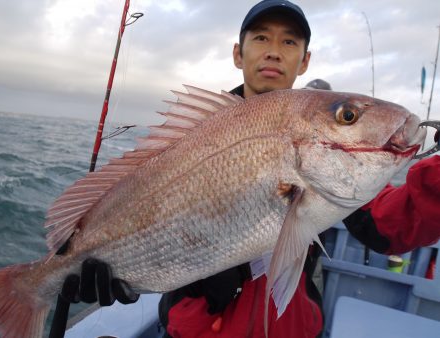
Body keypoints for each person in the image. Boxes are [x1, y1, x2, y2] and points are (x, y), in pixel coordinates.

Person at [50, 1, 440, 337]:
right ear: (238, 54)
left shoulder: (340, 168)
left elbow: (393, 224)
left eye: (289, 41)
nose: (274, 51)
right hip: (197, 328)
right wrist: (124, 276)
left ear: (305, 60)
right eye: (261, 38)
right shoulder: (197, 136)